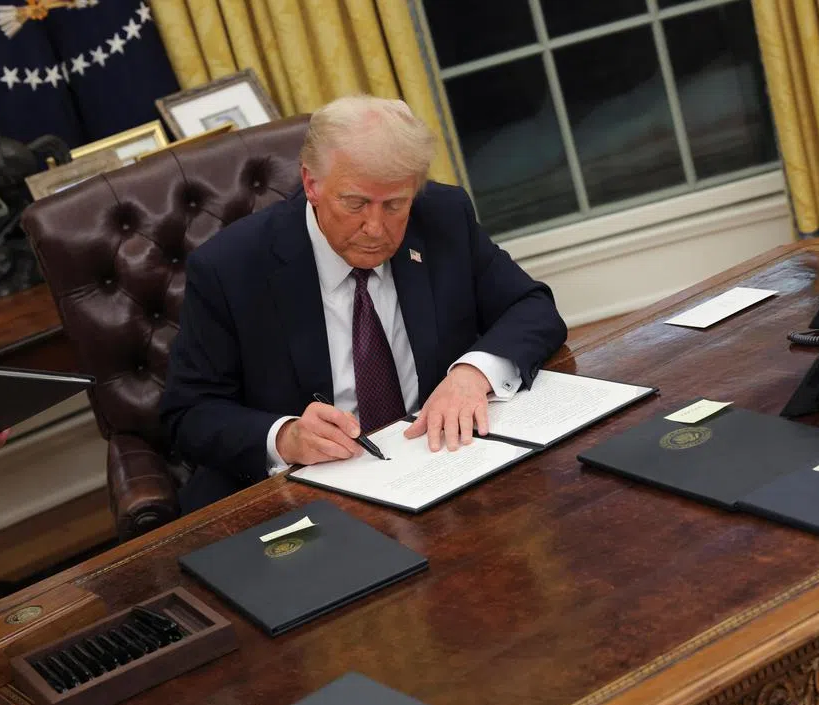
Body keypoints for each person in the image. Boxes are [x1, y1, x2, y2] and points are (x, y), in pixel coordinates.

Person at [161, 95, 568, 513]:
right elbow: (189, 412)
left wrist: (470, 374)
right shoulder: (230, 267)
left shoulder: (442, 215)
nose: (375, 228)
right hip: (309, 497)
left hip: (440, 465)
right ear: (311, 184)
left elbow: (533, 308)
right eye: (355, 204)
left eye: (395, 205)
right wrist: (284, 436)